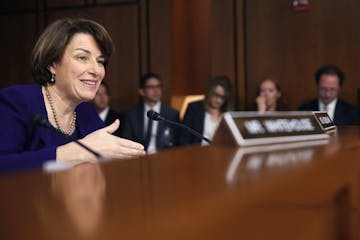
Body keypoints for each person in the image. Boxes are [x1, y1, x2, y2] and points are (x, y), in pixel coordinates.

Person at [0, 18, 145, 167]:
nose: (96, 70)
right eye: (82, 58)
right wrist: (75, 153)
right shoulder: (16, 101)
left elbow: (115, 163)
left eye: (100, 61)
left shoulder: (86, 113)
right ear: (52, 64)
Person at [121, 72, 180, 154]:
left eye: (158, 86)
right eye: (151, 87)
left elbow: (177, 143)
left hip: (165, 158)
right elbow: (127, 141)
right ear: (141, 91)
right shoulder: (131, 115)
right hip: (139, 158)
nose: (156, 90)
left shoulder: (172, 114)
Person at [180, 75, 232, 146]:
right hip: (197, 154)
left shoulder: (229, 114)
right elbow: (184, 139)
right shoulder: (194, 108)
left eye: (222, 97)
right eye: (216, 95)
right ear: (209, 92)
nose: (218, 100)